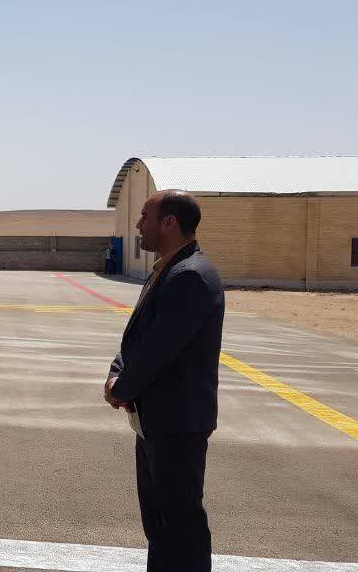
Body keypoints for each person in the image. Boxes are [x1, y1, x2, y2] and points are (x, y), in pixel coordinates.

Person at [103, 190, 224, 572]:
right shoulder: (168, 270)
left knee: (180, 526)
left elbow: (160, 349)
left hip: (177, 423)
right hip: (157, 421)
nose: (138, 225)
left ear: (169, 223)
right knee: (160, 526)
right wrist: (117, 373)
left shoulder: (190, 276)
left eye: (145, 217)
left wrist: (121, 388)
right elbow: (137, 338)